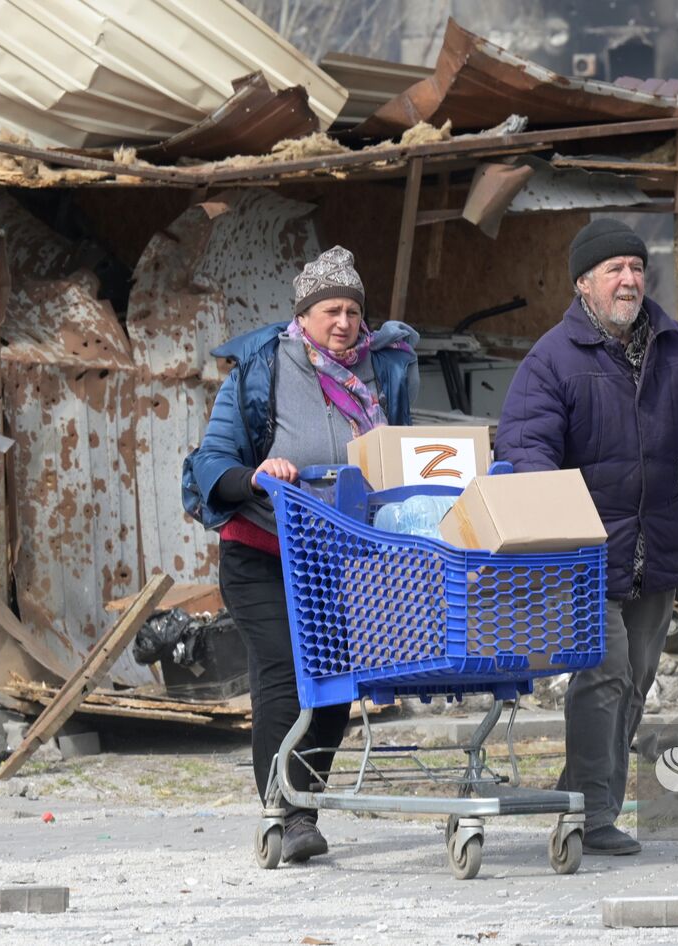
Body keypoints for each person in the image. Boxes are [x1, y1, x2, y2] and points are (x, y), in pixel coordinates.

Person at [495, 218, 678, 856]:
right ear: (583, 283)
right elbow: (526, 447)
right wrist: (552, 529)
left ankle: (579, 795)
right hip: (582, 555)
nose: (628, 280)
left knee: (636, 681)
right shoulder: (552, 359)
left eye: (635, 268)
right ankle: (593, 816)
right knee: (605, 675)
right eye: (614, 270)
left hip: (656, 546)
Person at [182, 246, 419, 863]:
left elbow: (399, 451)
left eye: (352, 311)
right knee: (287, 673)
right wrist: (256, 475)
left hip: (339, 558)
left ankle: (302, 807)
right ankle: (283, 812)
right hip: (262, 552)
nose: (343, 322)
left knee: (336, 683)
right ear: (304, 315)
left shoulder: (382, 371)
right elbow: (210, 459)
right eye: (329, 310)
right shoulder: (262, 368)